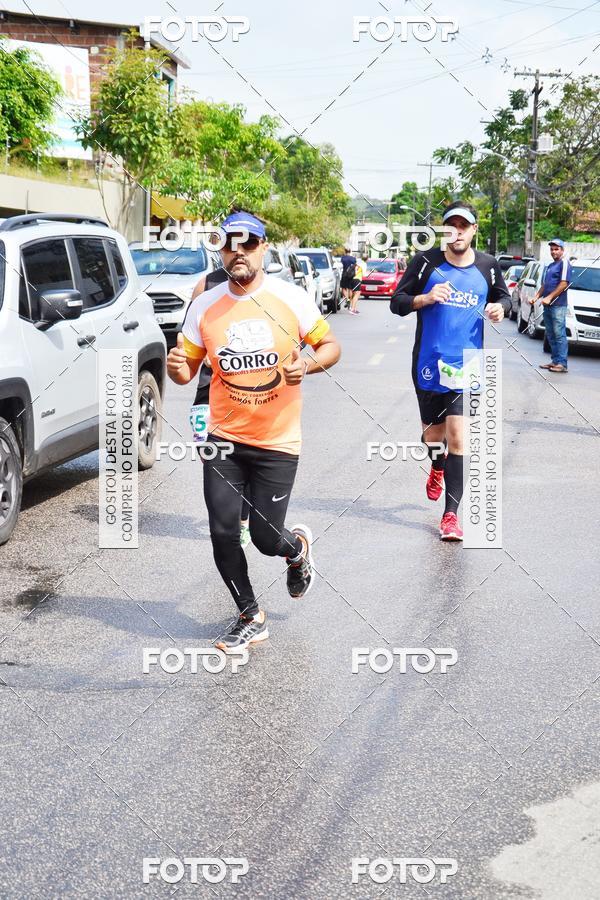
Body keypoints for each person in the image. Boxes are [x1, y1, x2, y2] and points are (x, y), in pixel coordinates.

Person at [167, 210, 341, 650]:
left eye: (248, 243)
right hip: (223, 438)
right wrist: (176, 367)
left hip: (278, 441)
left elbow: (330, 346)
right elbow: (186, 371)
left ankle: (296, 550)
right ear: (221, 250)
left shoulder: (291, 298)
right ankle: (250, 615)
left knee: (265, 539)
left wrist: (307, 364)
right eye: (230, 244)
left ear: (263, 248)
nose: (238, 252)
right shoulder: (204, 305)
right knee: (223, 531)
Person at [390, 201, 508, 540]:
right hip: (428, 362)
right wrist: (424, 298)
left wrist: (500, 308)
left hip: (468, 364)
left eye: (463, 226)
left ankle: (450, 516)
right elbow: (397, 302)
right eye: (450, 226)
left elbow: (504, 297)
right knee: (434, 438)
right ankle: (437, 464)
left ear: (473, 230)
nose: (457, 232)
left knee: (458, 436)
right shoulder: (425, 262)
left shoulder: (487, 265)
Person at [187, 265, 252, 547]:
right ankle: (227, 513)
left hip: (248, 387)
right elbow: (187, 336)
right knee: (208, 452)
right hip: (209, 385)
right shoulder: (206, 284)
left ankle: (243, 521)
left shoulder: (263, 287)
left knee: (246, 455)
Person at [531, 238, 572, 374]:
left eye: (556, 249)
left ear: (562, 250)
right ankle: (555, 361)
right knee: (550, 333)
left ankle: (562, 363)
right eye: (552, 249)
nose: (554, 252)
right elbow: (545, 284)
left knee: (559, 334)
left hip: (558, 305)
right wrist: (537, 296)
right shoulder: (551, 265)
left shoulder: (564, 263)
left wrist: (549, 297)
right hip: (547, 305)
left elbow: (564, 283)